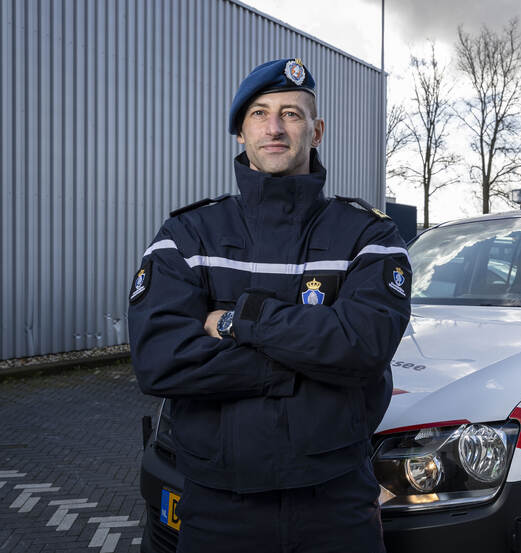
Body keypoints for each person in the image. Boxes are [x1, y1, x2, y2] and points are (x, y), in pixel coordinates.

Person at [128, 58, 411, 553]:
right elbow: (160, 361)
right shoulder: (189, 235)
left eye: (291, 114)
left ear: (316, 131)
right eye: (259, 113)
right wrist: (307, 364)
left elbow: (364, 346)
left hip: (337, 503)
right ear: (241, 132)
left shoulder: (368, 235)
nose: (275, 127)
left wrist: (240, 320)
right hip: (218, 505)